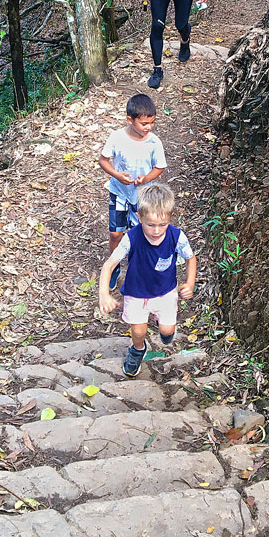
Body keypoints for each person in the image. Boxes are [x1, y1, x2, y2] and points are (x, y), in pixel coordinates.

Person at [98, 182, 196, 377]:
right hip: (136, 293)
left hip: (165, 292)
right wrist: (103, 294)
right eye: (150, 225)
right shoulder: (131, 238)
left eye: (162, 225)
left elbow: (190, 258)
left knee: (167, 332)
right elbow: (109, 264)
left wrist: (190, 283)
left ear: (170, 219)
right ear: (139, 217)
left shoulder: (177, 237)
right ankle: (137, 350)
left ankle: (166, 332)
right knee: (139, 332)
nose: (157, 231)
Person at [99, 93, 167, 292]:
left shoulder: (154, 142)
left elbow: (160, 167)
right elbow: (103, 160)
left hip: (143, 197)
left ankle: (141, 270)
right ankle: (114, 267)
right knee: (115, 233)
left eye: (152, 123)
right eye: (144, 123)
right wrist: (117, 175)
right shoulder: (117, 137)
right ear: (130, 120)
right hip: (119, 192)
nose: (148, 128)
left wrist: (146, 179)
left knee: (143, 233)